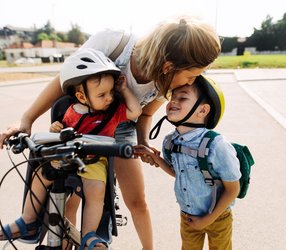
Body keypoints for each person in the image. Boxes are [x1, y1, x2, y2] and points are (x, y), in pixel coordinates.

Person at [0, 16, 222, 249]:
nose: (192, 82)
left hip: (123, 125)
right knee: (69, 199)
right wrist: (27, 119)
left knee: (137, 200)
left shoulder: (163, 81)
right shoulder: (114, 43)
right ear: (168, 66)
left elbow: (144, 115)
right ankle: (61, 241)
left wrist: (143, 142)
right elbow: (63, 80)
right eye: (191, 75)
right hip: (80, 122)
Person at [0, 48, 142, 249]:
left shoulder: (114, 111)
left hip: (94, 160)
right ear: (82, 96)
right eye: (102, 94)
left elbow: (136, 111)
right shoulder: (70, 111)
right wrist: (55, 129)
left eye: (111, 92)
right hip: (68, 157)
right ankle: (27, 220)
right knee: (41, 173)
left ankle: (90, 234)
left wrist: (124, 90)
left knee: (96, 190)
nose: (109, 97)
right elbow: (61, 133)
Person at [134, 75, 241, 250]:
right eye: (172, 97)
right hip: (188, 216)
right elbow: (178, 172)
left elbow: (233, 189)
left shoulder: (216, 145)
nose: (173, 102)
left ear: (202, 111)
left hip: (218, 217)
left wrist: (208, 219)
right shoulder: (171, 141)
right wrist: (156, 158)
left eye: (182, 98)